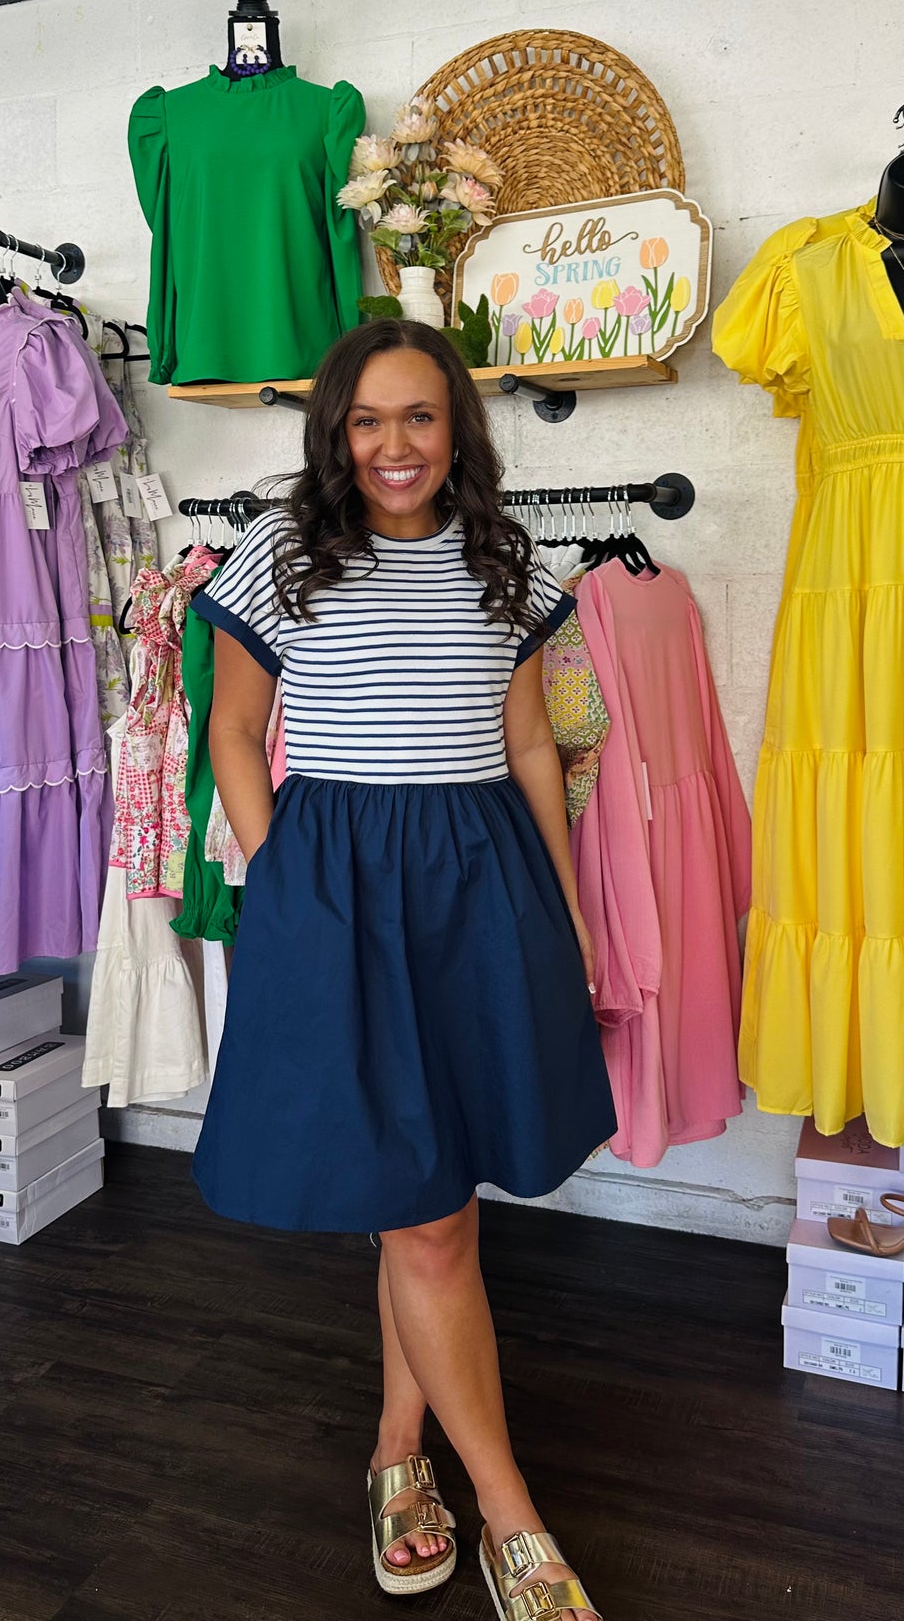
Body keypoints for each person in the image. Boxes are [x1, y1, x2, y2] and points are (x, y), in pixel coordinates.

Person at [192, 319, 615, 1620]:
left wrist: (559, 905)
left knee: (424, 1197)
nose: (393, 446)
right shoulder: (279, 552)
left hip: (478, 880)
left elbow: (532, 743)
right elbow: (232, 731)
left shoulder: (507, 559)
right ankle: (510, 1518)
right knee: (422, 1211)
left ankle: (394, 1455)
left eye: (419, 418)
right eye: (368, 421)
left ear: (455, 430)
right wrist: (284, 890)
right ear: (336, 432)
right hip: (337, 877)